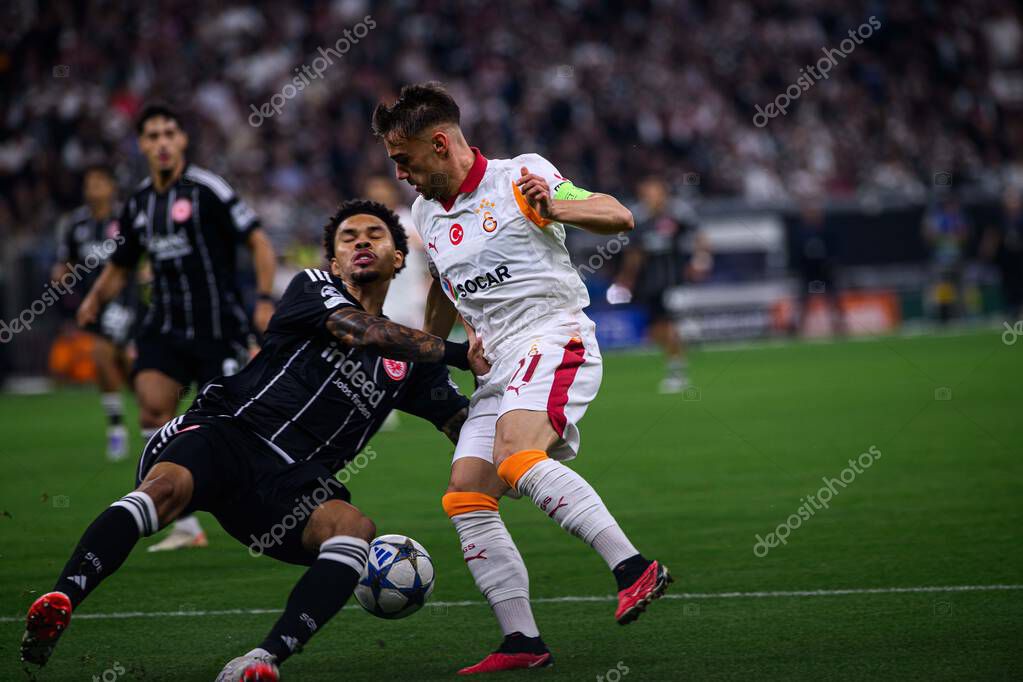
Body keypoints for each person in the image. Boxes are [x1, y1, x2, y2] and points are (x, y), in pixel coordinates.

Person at [20, 199, 486, 681]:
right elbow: (361, 330)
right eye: (348, 237)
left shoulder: (410, 364)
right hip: (231, 431)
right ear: (334, 261)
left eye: (375, 234)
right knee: (165, 491)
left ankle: (260, 660)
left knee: (354, 529)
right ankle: (63, 597)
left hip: (290, 483)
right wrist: (456, 353)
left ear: (398, 259)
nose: (361, 241)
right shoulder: (314, 287)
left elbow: (464, 425)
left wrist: (516, 438)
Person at [373, 82, 672, 675]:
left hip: (553, 336)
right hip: (497, 362)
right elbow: (439, 287)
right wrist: (426, 352)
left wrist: (556, 207)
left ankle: (634, 568)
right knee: (466, 495)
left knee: (515, 456)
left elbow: (618, 214)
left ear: (439, 144)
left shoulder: (522, 174)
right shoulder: (425, 211)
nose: (401, 174)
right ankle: (522, 641)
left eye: (403, 160)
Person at [77, 104, 278, 551]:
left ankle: (264, 507)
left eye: (170, 133)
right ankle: (184, 523)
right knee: (152, 409)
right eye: (152, 135)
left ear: (182, 140)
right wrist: (94, 299)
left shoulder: (209, 189)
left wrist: (263, 300)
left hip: (216, 328)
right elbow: (122, 265)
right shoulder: (139, 204)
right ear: (142, 144)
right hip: (163, 328)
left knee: (228, 428)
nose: (162, 142)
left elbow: (259, 241)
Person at [53, 164, 137, 460]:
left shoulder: (124, 220)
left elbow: (140, 257)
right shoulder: (76, 224)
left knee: (108, 355)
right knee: (116, 361)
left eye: (100, 182)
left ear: (112, 187)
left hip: (127, 300)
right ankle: (132, 421)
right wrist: (61, 275)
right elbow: (66, 261)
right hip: (93, 304)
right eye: (89, 184)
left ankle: (119, 429)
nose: (93, 189)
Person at [615, 176, 703, 392]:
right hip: (650, 282)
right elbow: (634, 253)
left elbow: (699, 235)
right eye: (646, 193)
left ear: (662, 193)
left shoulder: (677, 214)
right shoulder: (640, 219)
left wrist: (701, 260)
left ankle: (677, 370)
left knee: (671, 324)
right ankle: (676, 359)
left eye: (653, 192)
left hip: (673, 280)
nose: (649, 197)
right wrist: (626, 278)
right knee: (655, 328)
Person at [792, 199, 844, 336]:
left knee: (833, 300)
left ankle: (839, 327)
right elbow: (796, 253)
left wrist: (831, 265)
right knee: (803, 302)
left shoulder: (827, 230)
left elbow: (835, 250)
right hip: (808, 274)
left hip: (825, 273)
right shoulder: (800, 232)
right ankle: (798, 330)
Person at [981, 186, 1023, 321]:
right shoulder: (1000, 219)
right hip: (1006, 257)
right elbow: (992, 236)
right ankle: (1011, 309)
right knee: (1008, 283)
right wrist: (988, 250)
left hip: (1020, 256)